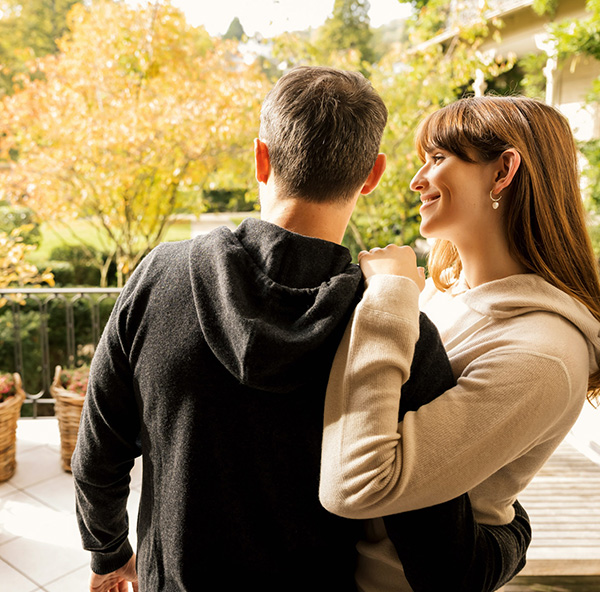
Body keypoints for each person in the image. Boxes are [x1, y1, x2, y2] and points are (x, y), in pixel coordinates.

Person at [72, 65, 394, 592]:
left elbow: (98, 450)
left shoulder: (160, 276)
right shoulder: (388, 321)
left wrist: (109, 552)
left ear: (260, 158)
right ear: (372, 174)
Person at [319, 95, 600, 592]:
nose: (417, 179)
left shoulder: (543, 354)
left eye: (438, 158)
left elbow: (357, 486)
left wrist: (388, 297)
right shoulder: (444, 297)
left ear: (503, 171)